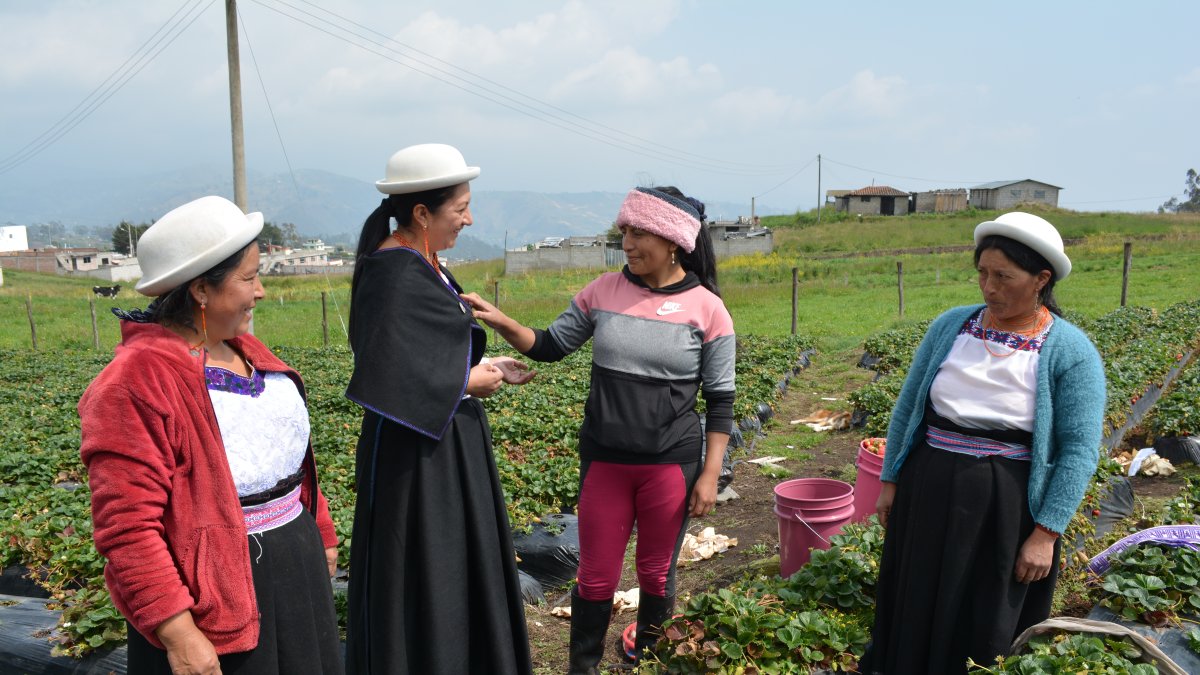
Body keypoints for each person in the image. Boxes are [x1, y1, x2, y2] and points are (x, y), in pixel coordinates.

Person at [463, 185, 736, 673]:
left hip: (669, 464)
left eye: (639, 233)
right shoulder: (604, 291)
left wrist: (710, 474)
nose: (627, 243)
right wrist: (501, 320)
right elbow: (550, 344)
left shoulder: (707, 309)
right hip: (606, 462)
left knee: (655, 574)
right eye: (624, 232)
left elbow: (720, 401)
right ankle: (582, 668)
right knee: (594, 577)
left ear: (673, 240)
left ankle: (649, 663)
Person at [79, 196, 343, 675]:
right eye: (249, 278)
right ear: (201, 289)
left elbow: (289, 455)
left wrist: (319, 530)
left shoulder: (243, 348)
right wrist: (178, 632)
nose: (260, 291)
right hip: (216, 600)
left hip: (295, 568)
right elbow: (128, 529)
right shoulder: (133, 383)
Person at [859, 212, 1106, 674]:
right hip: (928, 487)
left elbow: (1078, 451)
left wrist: (1046, 533)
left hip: (1005, 506)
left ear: (1041, 280)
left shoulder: (1071, 351)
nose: (988, 287)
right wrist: (891, 479)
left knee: (985, 613)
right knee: (915, 596)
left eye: (1003, 276)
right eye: (982, 273)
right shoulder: (952, 327)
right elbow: (908, 405)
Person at [343, 143, 535, 674]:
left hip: (447, 440)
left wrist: (486, 364)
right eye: (460, 208)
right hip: (415, 455)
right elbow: (387, 370)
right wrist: (466, 382)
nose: (468, 219)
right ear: (422, 213)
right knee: (428, 566)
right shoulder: (395, 271)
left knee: (455, 562)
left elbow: (423, 352)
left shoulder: (422, 261)